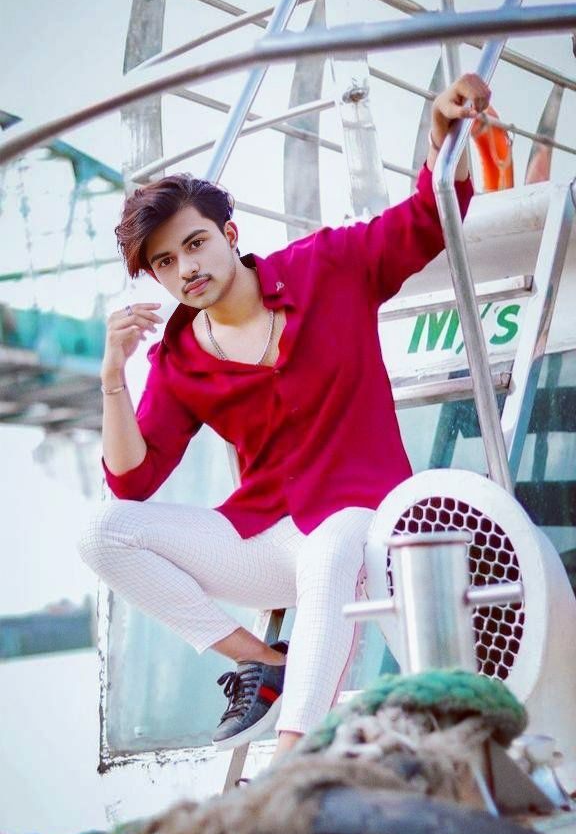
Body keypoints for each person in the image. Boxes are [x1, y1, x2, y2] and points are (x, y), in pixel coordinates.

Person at [78, 73, 490, 760]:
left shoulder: (328, 266)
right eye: (166, 263)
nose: (186, 269)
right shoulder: (179, 358)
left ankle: (293, 759)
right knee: (100, 531)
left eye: (196, 244)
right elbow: (132, 482)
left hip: (364, 518)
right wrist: (112, 378)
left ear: (230, 234)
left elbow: (426, 220)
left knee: (331, 547)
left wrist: (443, 133)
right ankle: (260, 660)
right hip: (267, 536)